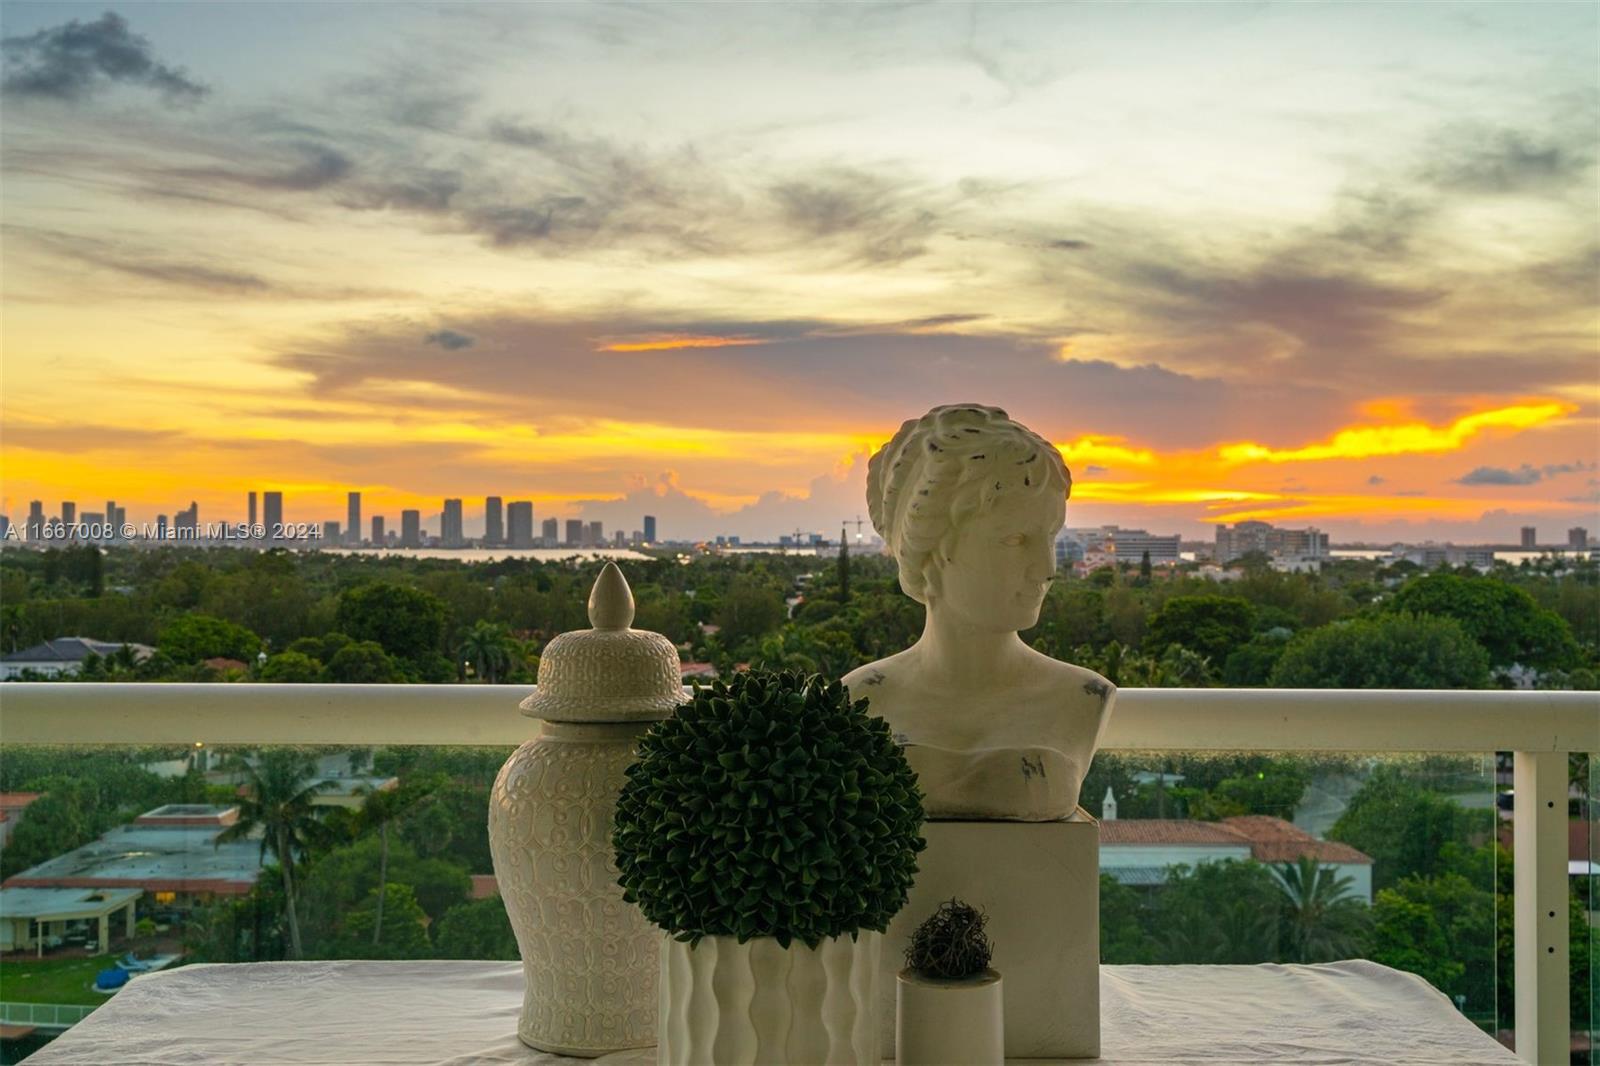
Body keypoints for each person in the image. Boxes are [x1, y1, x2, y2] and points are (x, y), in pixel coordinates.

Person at [842, 404, 1115, 820]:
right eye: (1014, 540)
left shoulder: (1082, 699)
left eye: (1051, 537)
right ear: (930, 556)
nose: (1048, 569)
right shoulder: (859, 700)